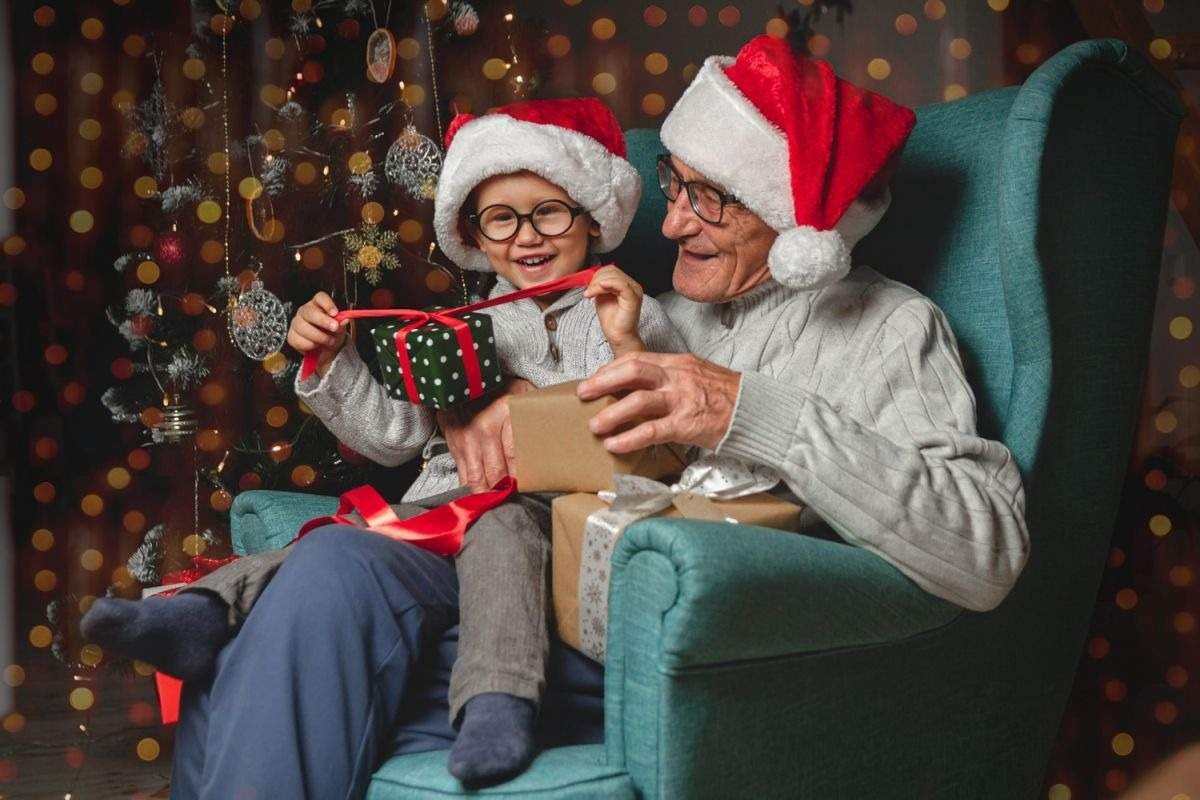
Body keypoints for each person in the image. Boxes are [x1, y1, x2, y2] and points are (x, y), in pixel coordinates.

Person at [84, 98, 685, 795]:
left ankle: (497, 700)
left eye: (550, 211)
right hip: (432, 526)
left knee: (498, 520)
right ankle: (202, 611)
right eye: (502, 218)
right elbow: (396, 436)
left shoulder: (631, 310)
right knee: (334, 535)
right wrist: (333, 363)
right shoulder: (457, 328)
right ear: (476, 233)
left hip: (539, 519)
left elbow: (649, 438)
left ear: (591, 215)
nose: (528, 236)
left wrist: (627, 341)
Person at [572, 35, 1031, 612]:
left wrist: (749, 413)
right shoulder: (656, 310)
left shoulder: (892, 327)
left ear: (794, 229)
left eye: (712, 198)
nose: (671, 227)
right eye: (676, 184)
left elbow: (990, 556)